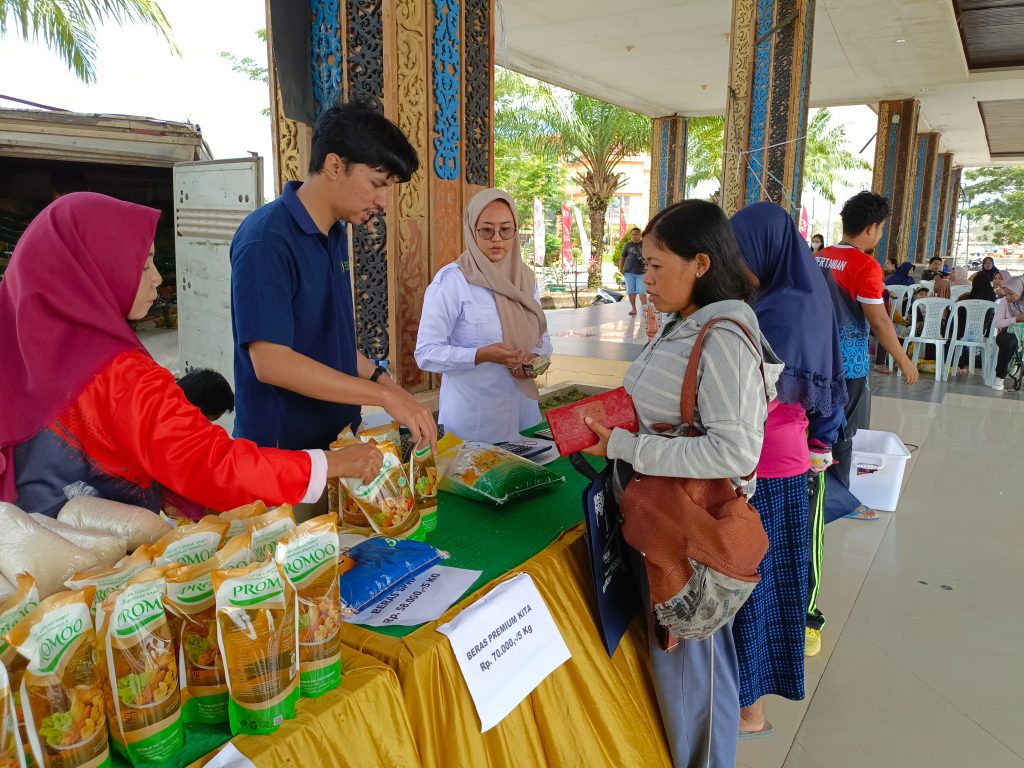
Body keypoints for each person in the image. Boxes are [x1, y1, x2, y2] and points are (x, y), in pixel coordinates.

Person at [0, 193, 383, 517]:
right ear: (93, 269)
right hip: (101, 582)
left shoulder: (22, 358)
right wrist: (331, 463)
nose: (156, 278)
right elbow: (209, 464)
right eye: (143, 262)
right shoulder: (117, 376)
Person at [582, 199, 781, 768]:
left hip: (688, 531)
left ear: (700, 262)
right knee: (680, 666)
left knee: (697, 673)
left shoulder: (720, 336)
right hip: (657, 520)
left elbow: (737, 452)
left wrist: (623, 445)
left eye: (654, 265)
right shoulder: (682, 321)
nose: (644, 278)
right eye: (642, 264)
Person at [230, 102, 436, 480]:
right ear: (335, 165)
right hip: (283, 457)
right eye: (377, 184)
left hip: (336, 444)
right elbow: (271, 362)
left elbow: (329, 341)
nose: (382, 201)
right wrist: (382, 397)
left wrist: (386, 383)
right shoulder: (266, 240)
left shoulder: (335, 233)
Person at [731, 203, 847, 737]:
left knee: (755, 584)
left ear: (766, 251)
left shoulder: (785, 310)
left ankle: (749, 710)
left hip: (769, 469)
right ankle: (749, 702)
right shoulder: (790, 294)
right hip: (784, 458)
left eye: (741, 256)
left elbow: (755, 397)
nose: (738, 268)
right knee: (768, 582)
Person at [415, 189, 552, 443]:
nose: (497, 239)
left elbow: (542, 336)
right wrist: (480, 355)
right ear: (471, 230)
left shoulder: (525, 278)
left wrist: (536, 358)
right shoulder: (452, 281)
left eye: (506, 229)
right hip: (474, 421)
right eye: (487, 230)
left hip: (524, 414)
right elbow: (426, 353)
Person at [815, 192, 919, 525]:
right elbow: (879, 320)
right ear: (872, 228)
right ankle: (840, 500)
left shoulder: (818, 257)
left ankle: (812, 489)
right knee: (846, 432)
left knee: (815, 428)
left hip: (814, 359)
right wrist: (903, 359)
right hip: (849, 364)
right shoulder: (865, 265)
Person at [952, 273, 996, 375]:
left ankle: (953, 361)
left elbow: (956, 315)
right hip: (980, 335)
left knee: (952, 329)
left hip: (962, 335)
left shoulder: (966, 299)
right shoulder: (992, 300)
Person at [991, 275, 1024, 391]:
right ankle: (1000, 376)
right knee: (1009, 341)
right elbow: (998, 323)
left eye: (1011, 293)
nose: (1008, 297)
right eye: (1006, 293)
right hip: (1007, 333)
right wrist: (1016, 319)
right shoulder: (1005, 301)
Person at [618, 226, 647, 316]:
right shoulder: (628, 245)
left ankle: (645, 310)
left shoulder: (645, 244)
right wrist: (621, 268)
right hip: (628, 272)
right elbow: (623, 257)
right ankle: (633, 309)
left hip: (641, 273)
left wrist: (648, 267)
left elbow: (650, 257)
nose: (634, 236)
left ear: (640, 235)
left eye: (636, 234)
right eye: (633, 234)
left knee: (642, 292)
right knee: (631, 292)